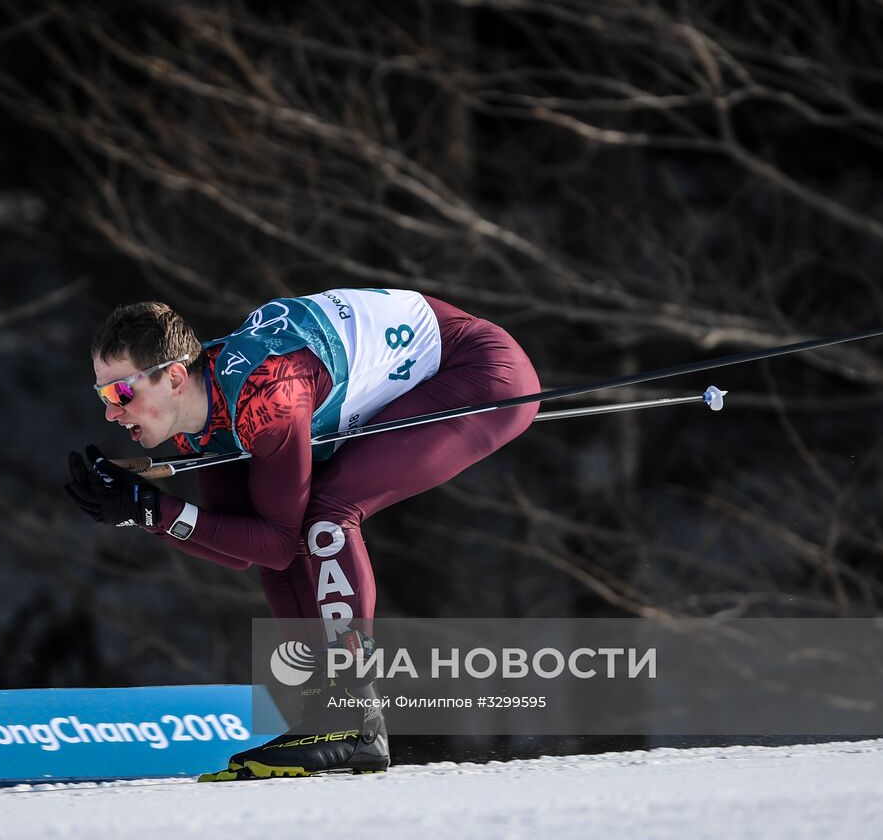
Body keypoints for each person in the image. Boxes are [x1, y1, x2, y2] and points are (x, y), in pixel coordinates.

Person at [65, 288, 540, 779]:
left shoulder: (265, 395)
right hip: (412, 365)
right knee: (287, 525)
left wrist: (156, 509)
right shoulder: (198, 419)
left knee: (326, 514)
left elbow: (267, 541)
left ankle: (356, 719)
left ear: (176, 378)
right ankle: (325, 716)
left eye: (122, 392)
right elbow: (246, 548)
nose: (111, 412)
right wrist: (143, 513)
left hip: (478, 370)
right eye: (103, 395)